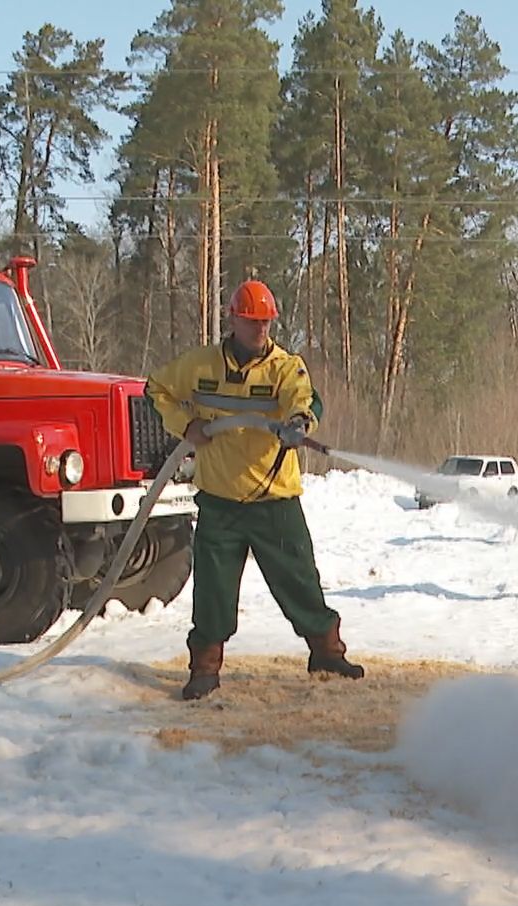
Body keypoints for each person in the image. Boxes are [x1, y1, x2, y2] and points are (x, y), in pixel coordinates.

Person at [146, 279, 364, 699]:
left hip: (274, 501)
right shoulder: (200, 365)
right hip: (220, 502)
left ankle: (327, 653)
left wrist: (299, 423)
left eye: (266, 322)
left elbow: (306, 399)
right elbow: (156, 389)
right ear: (233, 319)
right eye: (252, 321)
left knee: (300, 582)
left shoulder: (285, 366)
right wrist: (186, 425)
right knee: (213, 592)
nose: (261, 329)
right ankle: (204, 668)